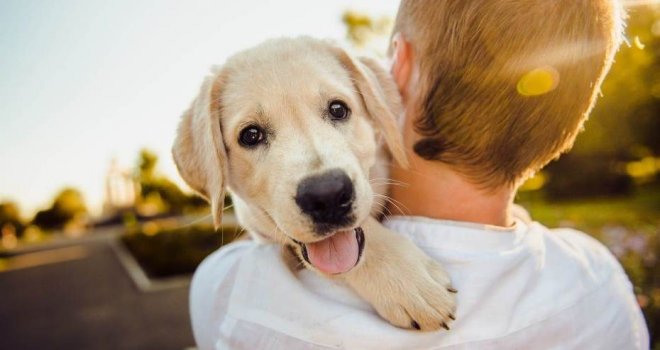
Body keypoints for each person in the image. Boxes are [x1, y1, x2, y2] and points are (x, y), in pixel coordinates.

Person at [189, 0, 649, 349]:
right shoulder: (599, 282)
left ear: (397, 72)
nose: (324, 179)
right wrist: (371, 254)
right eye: (252, 135)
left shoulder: (233, 294)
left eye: (336, 110)